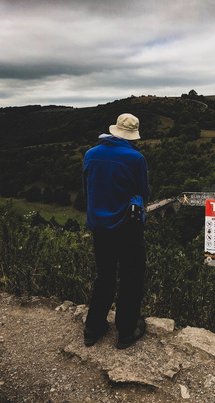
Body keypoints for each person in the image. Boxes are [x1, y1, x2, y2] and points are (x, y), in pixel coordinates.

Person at [82, 113, 150, 349]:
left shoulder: (91, 154)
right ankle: (126, 331)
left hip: (100, 226)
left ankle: (93, 328)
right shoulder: (135, 158)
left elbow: (87, 188)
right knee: (131, 276)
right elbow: (143, 191)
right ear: (132, 136)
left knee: (105, 276)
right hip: (127, 226)